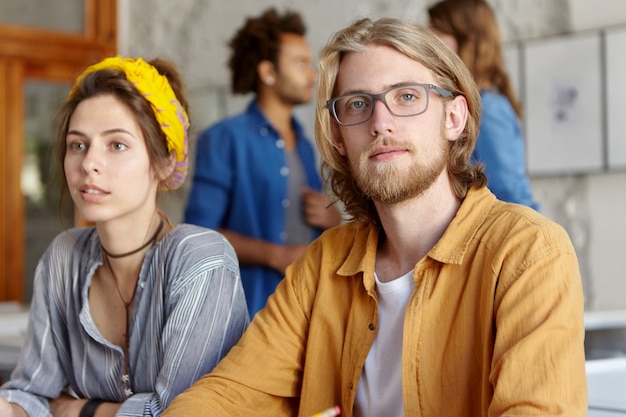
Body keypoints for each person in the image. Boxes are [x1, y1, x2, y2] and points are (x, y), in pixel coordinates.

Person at [163, 17, 587, 417]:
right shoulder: (322, 263)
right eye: (358, 104)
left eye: (406, 96)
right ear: (338, 136)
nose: (380, 123)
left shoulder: (530, 253)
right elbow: (229, 393)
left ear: (454, 117)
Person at [0, 56, 249, 417]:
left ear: (164, 163)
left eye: (116, 145)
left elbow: (182, 412)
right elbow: (34, 395)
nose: (88, 164)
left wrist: (78, 411)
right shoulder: (63, 257)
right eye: (77, 145)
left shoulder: (202, 260)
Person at [184, 8, 342, 317]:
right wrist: (275, 255)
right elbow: (197, 235)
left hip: (304, 311)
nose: (312, 75)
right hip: (244, 312)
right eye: (300, 64)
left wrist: (332, 219)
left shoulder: (308, 148)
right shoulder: (224, 139)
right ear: (268, 72)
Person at [428, 0, 540, 210]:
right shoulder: (469, 103)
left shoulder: (489, 108)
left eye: (436, 29)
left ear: (467, 39)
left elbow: (511, 193)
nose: (427, 38)